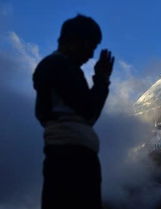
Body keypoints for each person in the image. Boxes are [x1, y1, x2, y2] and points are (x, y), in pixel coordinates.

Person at [32, 14, 114, 209]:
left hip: (74, 155)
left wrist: (101, 80)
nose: (90, 54)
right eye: (88, 46)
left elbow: (87, 116)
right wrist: (101, 80)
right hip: (70, 159)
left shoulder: (65, 68)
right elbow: (88, 110)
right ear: (72, 41)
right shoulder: (56, 66)